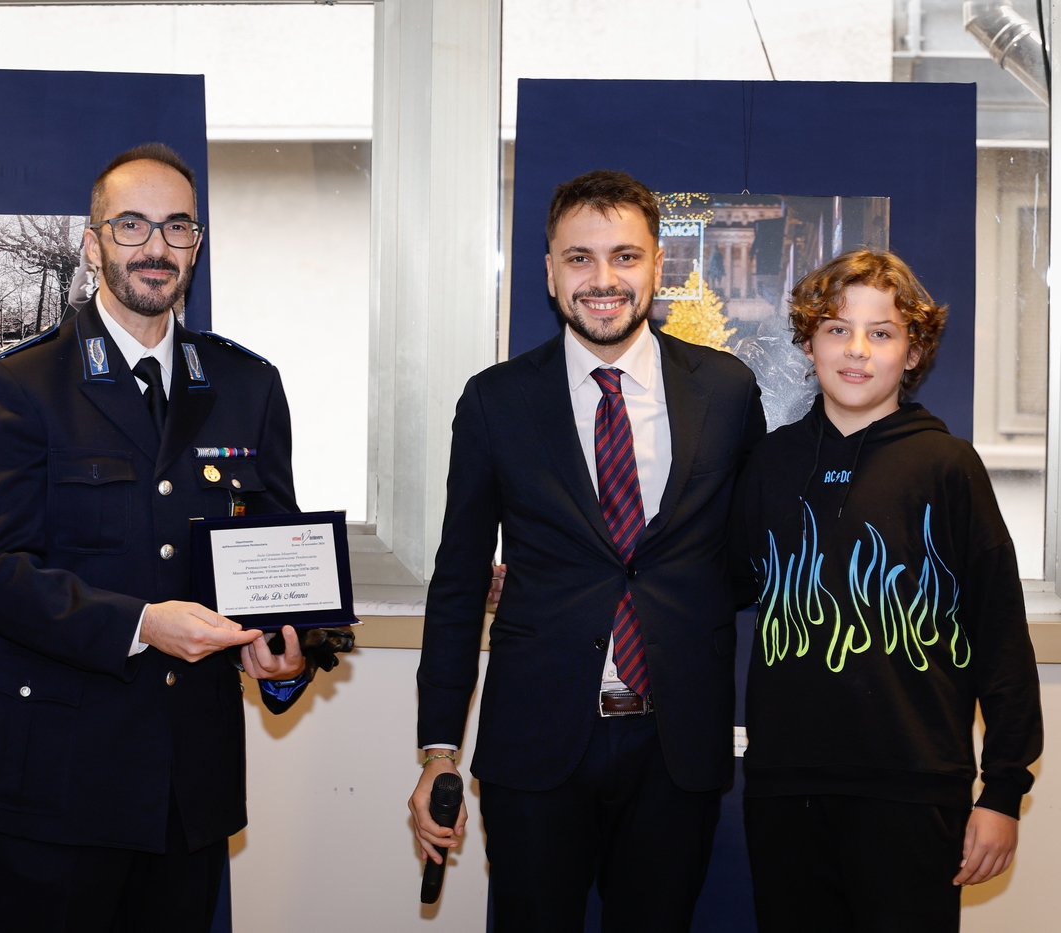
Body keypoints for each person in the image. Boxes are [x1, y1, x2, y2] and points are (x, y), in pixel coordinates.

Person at [0, 142, 319, 933]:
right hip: (60, 782)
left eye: (177, 226)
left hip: (190, 785)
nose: (156, 246)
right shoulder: (20, 384)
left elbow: (273, 560)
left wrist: (283, 658)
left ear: (196, 245)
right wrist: (143, 623)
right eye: (132, 225)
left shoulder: (247, 385)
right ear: (93, 244)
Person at [410, 169, 767, 931]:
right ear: (549, 271)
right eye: (580, 258)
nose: (603, 280)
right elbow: (459, 578)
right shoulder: (495, 400)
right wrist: (438, 748)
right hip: (536, 738)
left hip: (678, 741)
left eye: (625, 256)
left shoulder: (728, 390)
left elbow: (746, 558)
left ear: (658, 266)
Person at [729, 249, 1043, 932]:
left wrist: (1004, 789)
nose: (857, 350)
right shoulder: (769, 465)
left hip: (915, 788)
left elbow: (1000, 635)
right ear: (809, 342)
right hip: (785, 787)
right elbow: (711, 583)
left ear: (914, 351)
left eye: (881, 332)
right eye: (837, 329)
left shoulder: (948, 467)